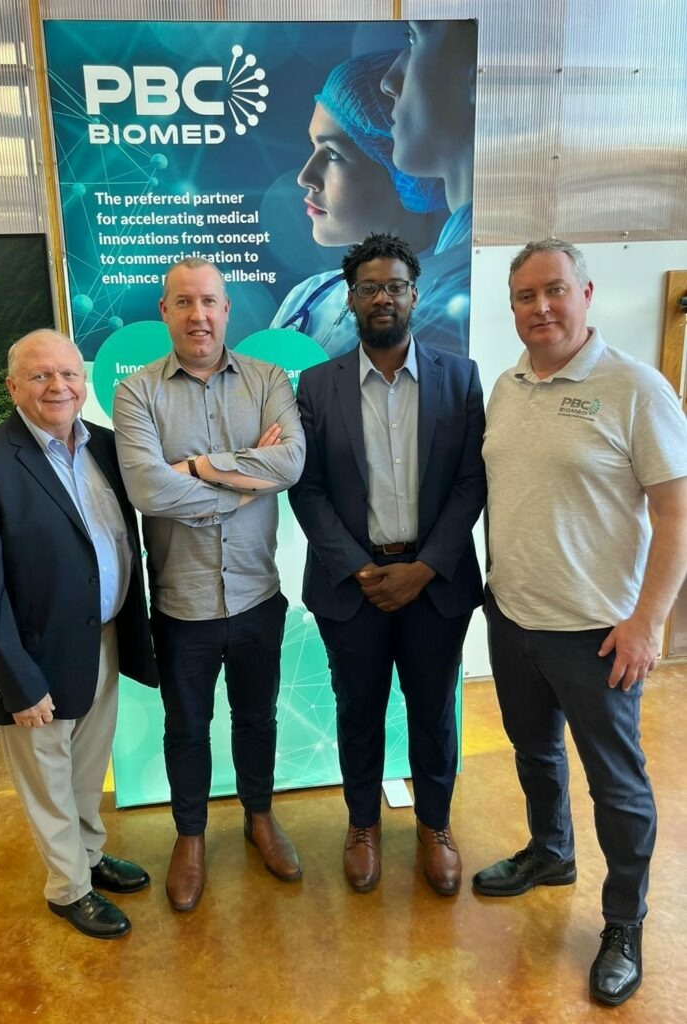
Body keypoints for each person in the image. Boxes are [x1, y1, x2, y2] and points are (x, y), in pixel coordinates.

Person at [475, 239, 687, 1006]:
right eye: (524, 296)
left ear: (586, 294)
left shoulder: (634, 388)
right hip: (512, 617)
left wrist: (647, 622)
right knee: (533, 752)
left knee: (616, 784)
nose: (540, 308)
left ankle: (623, 923)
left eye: (554, 290)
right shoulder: (505, 388)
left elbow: (675, 514)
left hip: (597, 634)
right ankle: (550, 851)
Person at [0, 329, 159, 940]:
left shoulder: (106, 447)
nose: (58, 386)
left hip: (103, 639)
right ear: (13, 387)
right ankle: (69, 889)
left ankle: (88, 855)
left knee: (86, 767)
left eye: (68, 374)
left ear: (83, 382)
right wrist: (17, 682)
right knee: (48, 779)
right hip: (32, 655)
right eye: (40, 376)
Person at [289, 233, 486, 895]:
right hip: (353, 588)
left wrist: (425, 567)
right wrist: (357, 568)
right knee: (357, 710)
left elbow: (470, 482)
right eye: (369, 287)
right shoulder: (317, 386)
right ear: (350, 299)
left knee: (433, 711)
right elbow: (307, 488)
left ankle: (435, 825)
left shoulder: (460, 378)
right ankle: (363, 825)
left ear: (413, 295)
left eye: (394, 286)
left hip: (435, 584)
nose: (383, 298)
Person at [113, 258, 306, 913]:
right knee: (187, 728)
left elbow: (291, 462)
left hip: (256, 597)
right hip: (181, 606)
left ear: (226, 310)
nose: (198, 315)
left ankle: (259, 817)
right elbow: (147, 489)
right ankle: (190, 837)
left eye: (209, 302)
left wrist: (194, 468)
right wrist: (245, 484)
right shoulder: (137, 392)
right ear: (165, 311)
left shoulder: (268, 379)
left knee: (257, 718)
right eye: (184, 302)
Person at [271, 50, 466, 358]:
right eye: (313, 147)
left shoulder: (444, 308)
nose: (305, 177)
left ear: (403, 171)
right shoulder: (308, 295)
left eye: (333, 154)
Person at [381, 21, 478, 342]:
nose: (388, 82)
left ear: (476, 75)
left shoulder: (455, 294)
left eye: (413, 37)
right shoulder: (445, 268)